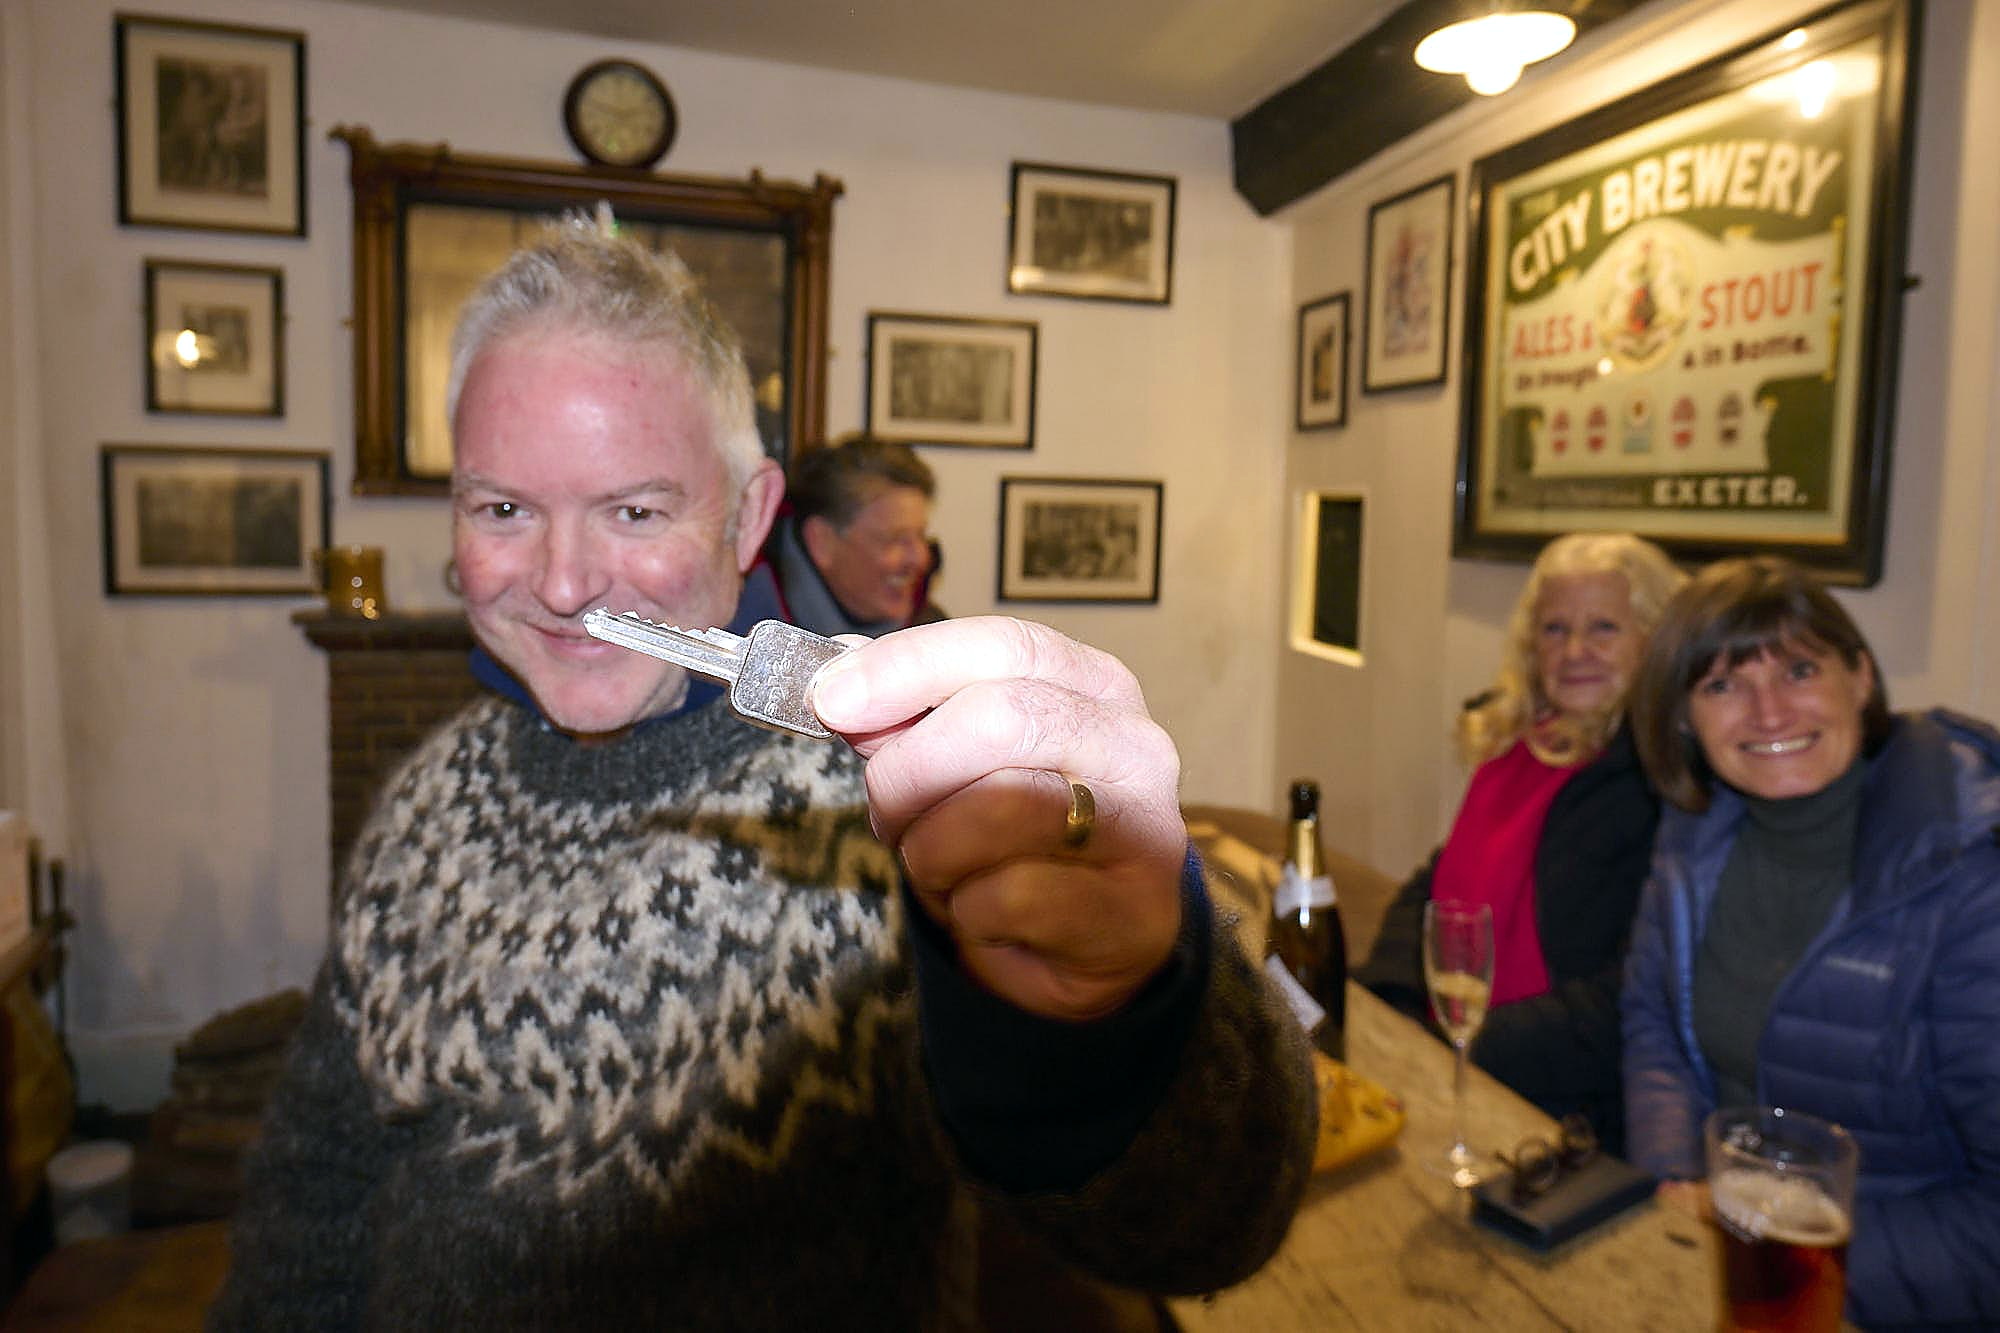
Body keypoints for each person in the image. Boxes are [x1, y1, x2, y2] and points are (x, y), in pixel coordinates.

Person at [208, 218, 1315, 1330]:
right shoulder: (424, 806)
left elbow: (1208, 1223)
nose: (562, 583)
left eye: (634, 510)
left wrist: (1136, 1000)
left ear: (746, 516)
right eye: (503, 509)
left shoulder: (896, 811)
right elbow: (314, 1199)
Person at [1622, 556, 2000, 1328]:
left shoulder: (1970, 877)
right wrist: (1674, 1175)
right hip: (1723, 1257)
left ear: (1860, 679)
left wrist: (1777, 1249)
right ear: (1684, 717)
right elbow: (1652, 1022)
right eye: (1722, 685)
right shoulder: (1696, 831)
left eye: (1798, 669)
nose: (1768, 712)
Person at [1356, 532, 1685, 1154]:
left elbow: (1632, 997)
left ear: (1656, 638)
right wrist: (1391, 995)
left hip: (1561, 1111)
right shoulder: (1521, 745)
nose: (1575, 651)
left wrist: (1460, 1043)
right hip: (1458, 1056)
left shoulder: (1664, 782)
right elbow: (1441, 880)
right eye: (1555, 629)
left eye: (1604, 628)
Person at [766, 434, 943, 637]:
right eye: (894, 539)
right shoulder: (746, 634)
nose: (921, 558)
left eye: (921, 536)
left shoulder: (936, 636)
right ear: (822, 542)